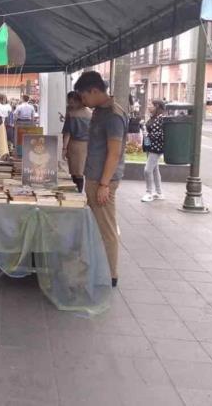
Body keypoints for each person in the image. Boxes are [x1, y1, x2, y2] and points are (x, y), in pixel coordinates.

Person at [74, 71, 128, 288]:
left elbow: (114, 153)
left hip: (103, 180)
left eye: (84, 96)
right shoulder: (99, 111)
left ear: (94, 91)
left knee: (106, 227)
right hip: (95, 176)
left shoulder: (113, 115)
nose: (83, 101)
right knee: (96, 226)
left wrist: (104, 184)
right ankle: (99, 268)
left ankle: (110, 275)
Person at [61, 91, 91, 193]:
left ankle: (77, 191)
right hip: (87, 145)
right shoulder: (90, 113)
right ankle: (79, 191)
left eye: (71, 102)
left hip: (74, 144)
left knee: (75, 172)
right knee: (79, 171)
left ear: (78, 101)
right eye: (69, 102)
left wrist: (64, 148)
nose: (70, 104)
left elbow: (67, 133)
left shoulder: (72, 114)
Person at [141, 99, 166, 202]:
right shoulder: (153, 117)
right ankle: (159, 193)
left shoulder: (161, 118)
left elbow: (161, 134)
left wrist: (148, 135)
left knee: (147, 170)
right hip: (150, 146)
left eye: (151, 105)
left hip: (156, 147)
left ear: (157, 106)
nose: (148, 107)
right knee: (155, 169)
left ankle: (149, 192)